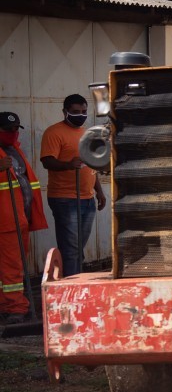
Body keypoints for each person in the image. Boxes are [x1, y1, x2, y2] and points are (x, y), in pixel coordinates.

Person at [40, 95, 106, 277]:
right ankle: (71, 284)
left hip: (87, 198)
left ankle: (73, 278)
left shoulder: (87, 134)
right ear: (65, 112)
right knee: (71, 248)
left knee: (78, 246)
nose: (81, 115)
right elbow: (47, 161)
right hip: (65, 199)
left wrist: (99, 191)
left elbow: (92, 165)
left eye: (84, 111)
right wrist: (69, 164)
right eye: (76, 112)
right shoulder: (53, 133)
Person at [0, 112, 48, 323]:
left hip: (20, 219)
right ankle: (16, 308)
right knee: (11, 267)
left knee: (14, 266)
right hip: (5, 221)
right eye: (6, 130)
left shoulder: (14, 149)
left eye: (14, 130)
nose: (11, 133)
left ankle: (9, 304)